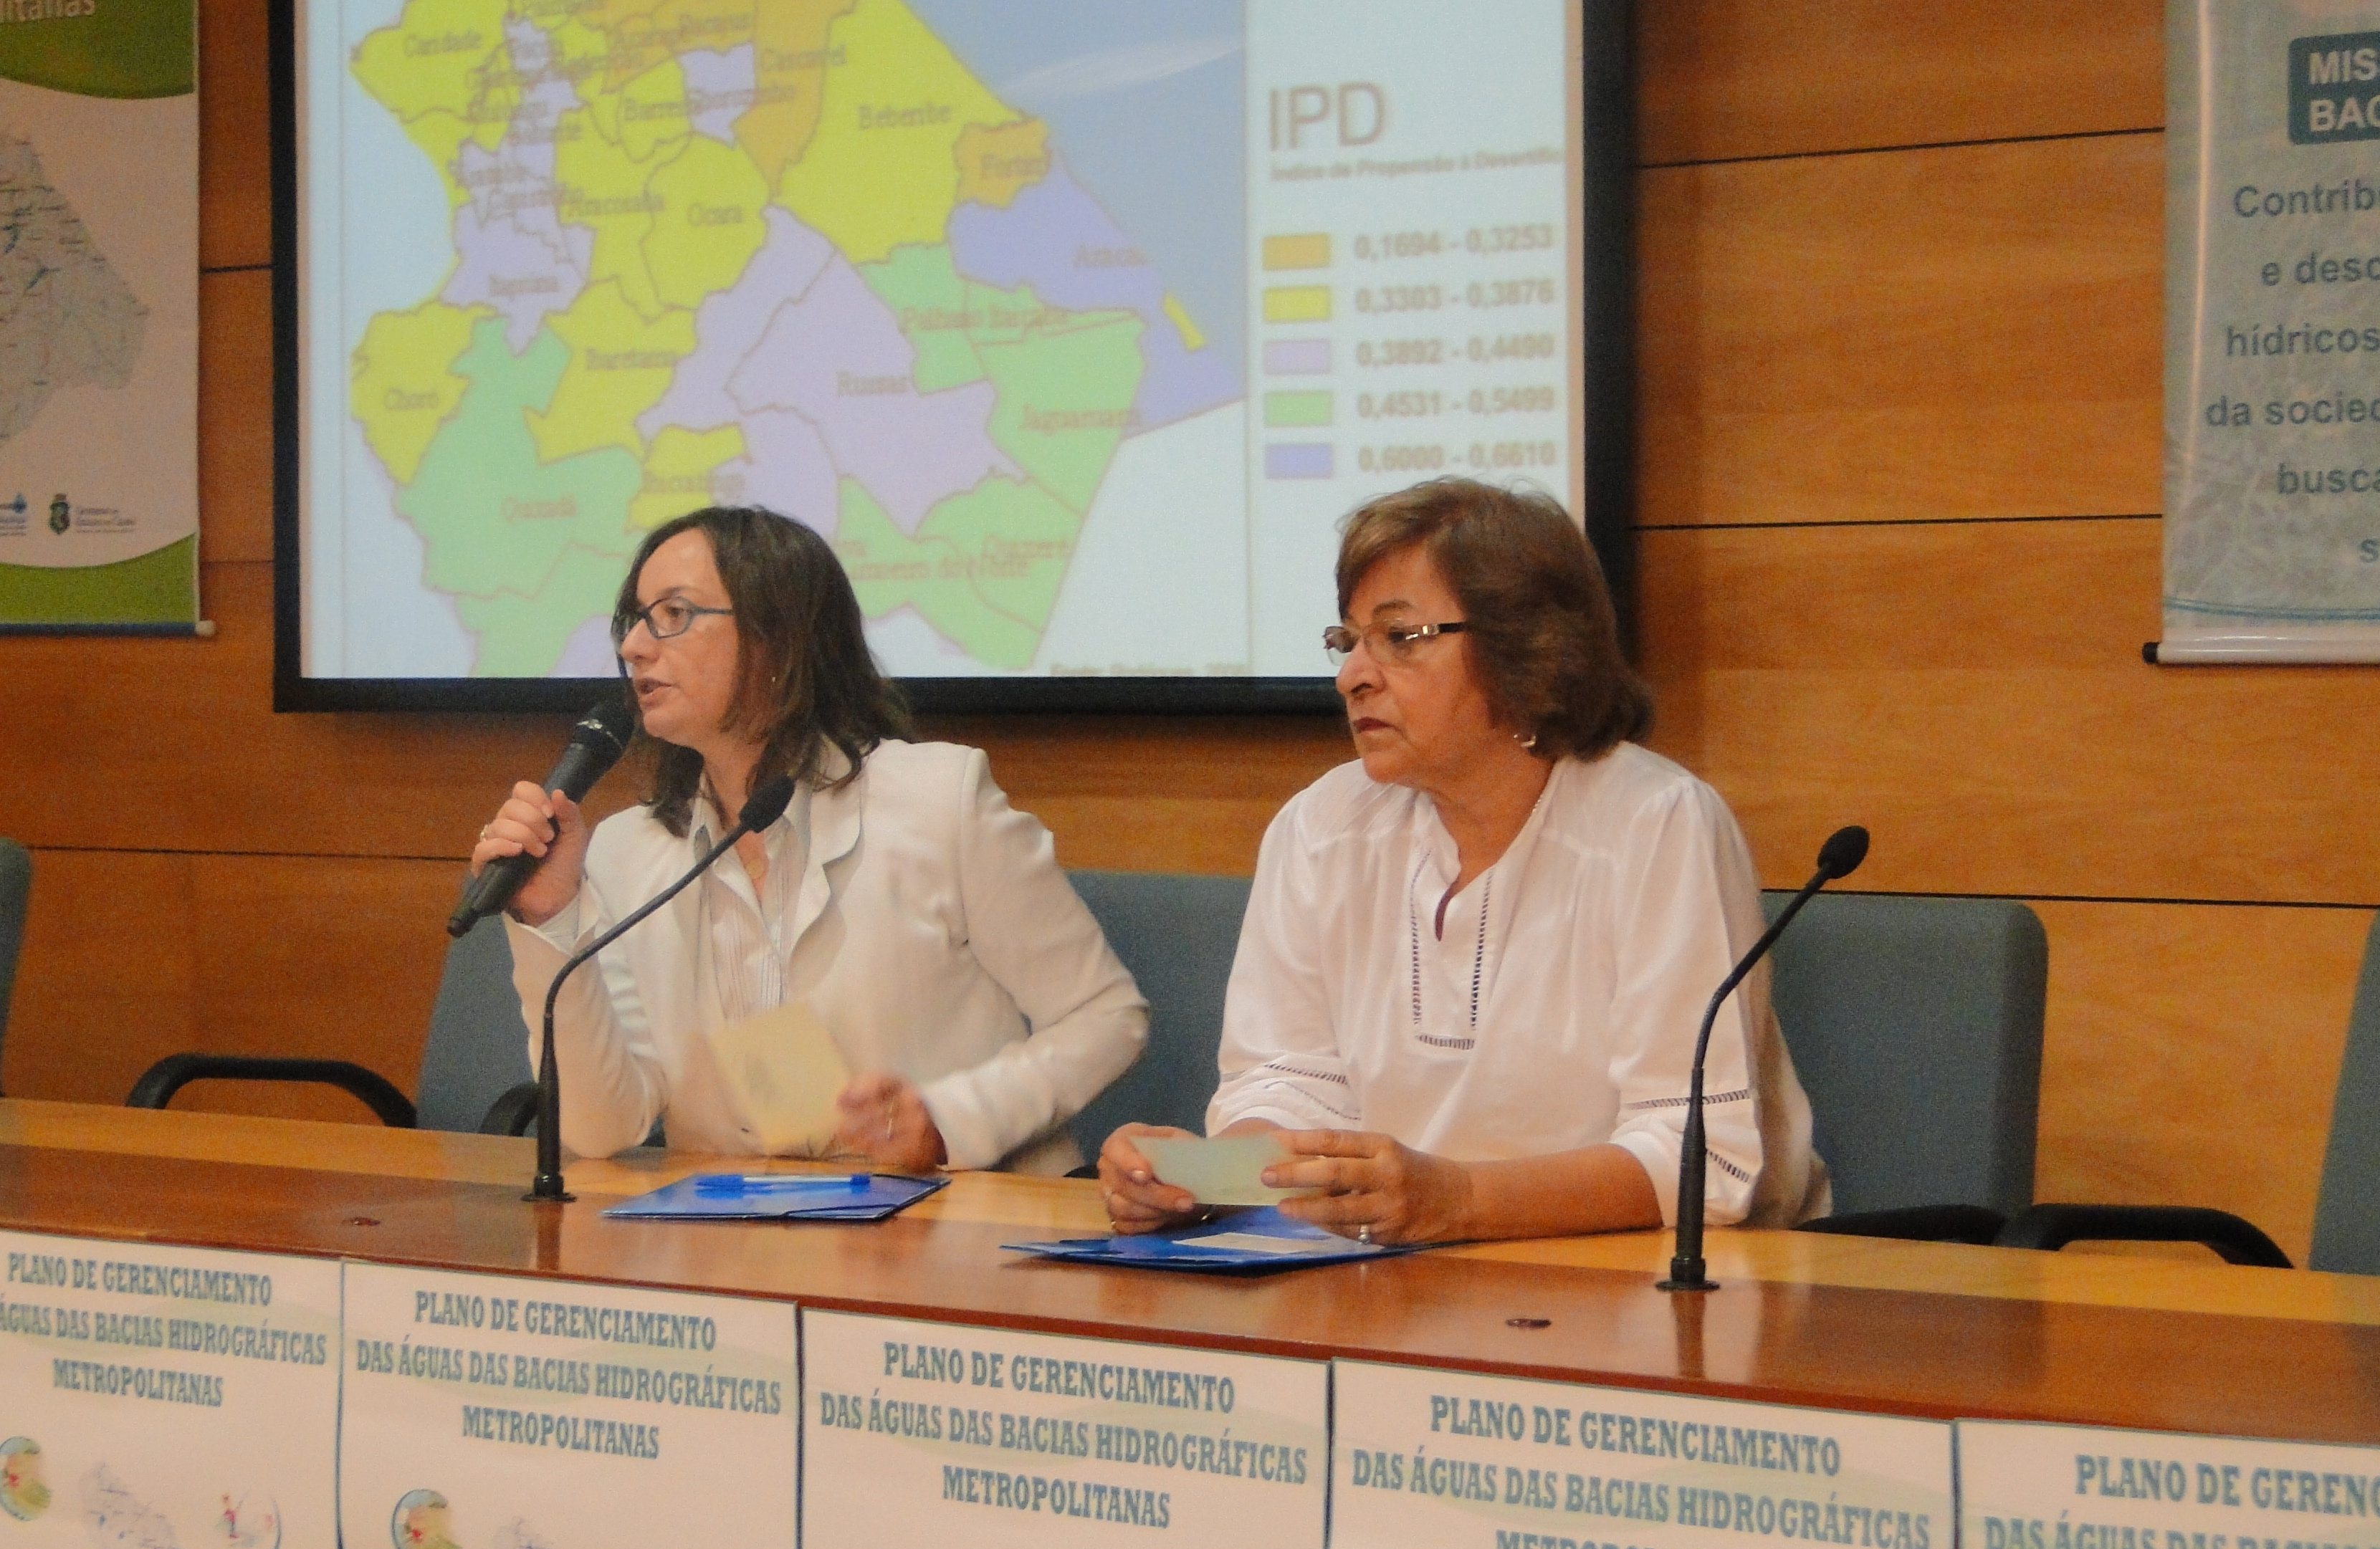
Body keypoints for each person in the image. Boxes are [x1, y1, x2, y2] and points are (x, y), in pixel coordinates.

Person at [1097, 479, 1825, 1242]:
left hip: (1663, 1275)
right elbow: (1293, 1085)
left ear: (1525, 648)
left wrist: (1462, 1199)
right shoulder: (1322, 826)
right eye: (1347, 642)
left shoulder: (1656, 823)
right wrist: (1201, 1181)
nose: (1352, 676)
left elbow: (1702, 1156)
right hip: (1391, 1266)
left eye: (1400, 637)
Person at [471, 506, 1147, 1171]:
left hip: (959, 1211)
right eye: (636, 620)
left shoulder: (940, 801)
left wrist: (948, 1124)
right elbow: (601, 1127)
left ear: (777, 638)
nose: (634, 648)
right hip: (746, 1225)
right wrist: (550, 919)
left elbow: (1105, 1015)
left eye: (674, 614)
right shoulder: (629, 849)